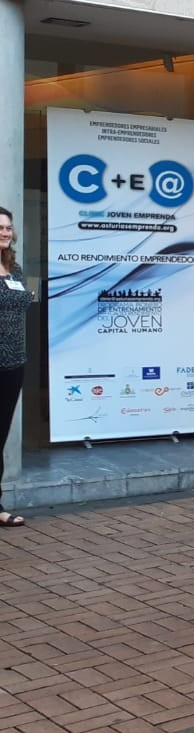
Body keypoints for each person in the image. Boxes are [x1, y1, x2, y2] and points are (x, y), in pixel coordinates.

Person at [0, 207, 26, 528]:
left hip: (13, 365)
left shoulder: (13, 267)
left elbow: (27, 298)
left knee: (0, 437)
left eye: (7, 227)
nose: (4, 232)